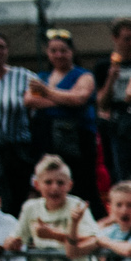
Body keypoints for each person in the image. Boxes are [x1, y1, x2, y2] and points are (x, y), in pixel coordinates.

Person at [25, 30, 98, 206]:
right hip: (45, 136)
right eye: (53, 51)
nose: (58, 55)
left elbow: (79, 98)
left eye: (63, 50)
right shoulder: (42, 76)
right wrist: (64, 99)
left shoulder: (84, 75)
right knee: (47, 177)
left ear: (72, 52)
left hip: (77, 138)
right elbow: (29, 100)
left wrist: (46, 92)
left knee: (81, 181)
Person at [0, 32, 38, 211]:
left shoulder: (22, 76)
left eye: (2, 47)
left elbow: (40, 101)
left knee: (14, 196)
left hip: (15, 150)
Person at [93, 18, 131, 186]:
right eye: (127, 39)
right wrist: (111, 79)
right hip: (118, 123)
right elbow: (102, 103)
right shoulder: (103, 65)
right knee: (121, 172)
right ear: (115, 38)